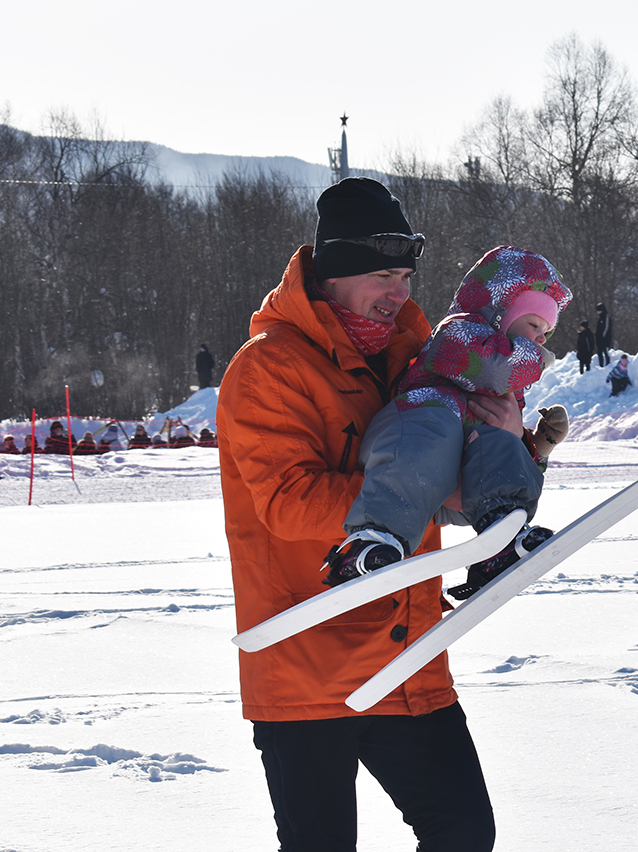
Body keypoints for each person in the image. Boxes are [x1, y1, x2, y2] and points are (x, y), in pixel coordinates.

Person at [217, 176, 506, 852]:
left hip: (409, 658)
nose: (399, 290)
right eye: (382, 273)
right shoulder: (268, 370)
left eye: (405, 274)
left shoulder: (419, 360)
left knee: (463, 833)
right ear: (333, 276)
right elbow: (287, 503)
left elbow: (452, 473)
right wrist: (420, 490)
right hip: (305, 664)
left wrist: (510, 446)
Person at [327, 244, 573, 603]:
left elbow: (503, 467)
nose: (540, 339)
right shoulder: (458, 333)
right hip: (408, 446)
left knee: (495, 440)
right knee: (437, 424)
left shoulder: (509, 394)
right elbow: (493, 367)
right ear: (501, 313)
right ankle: (373, 540)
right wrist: (537, 358)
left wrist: (533, 448)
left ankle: (500, 534)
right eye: (534, 324)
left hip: (450, 485)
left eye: (546, 334)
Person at [594, 303, 612, 369]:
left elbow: (606, 327)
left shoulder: (606, 316)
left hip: (605, 338)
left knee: (605, 351)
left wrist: (603, 335)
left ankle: (608, 364)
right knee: (599, 352)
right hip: (599, 338)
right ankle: (601, 365)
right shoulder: (600, 317)